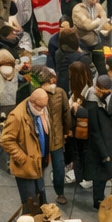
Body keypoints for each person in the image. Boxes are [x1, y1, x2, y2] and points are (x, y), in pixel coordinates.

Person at [0, 88, 54, 211]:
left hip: (39, 163)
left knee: (41, 200)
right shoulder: (17, 116)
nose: (42, 110)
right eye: (40, 107)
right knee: (30, 204)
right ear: (33, 102)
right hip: (26, 167)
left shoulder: (40, 108)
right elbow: (5, 140)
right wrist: (22, 158)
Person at [82, 75, 112, 207]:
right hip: (99, 145)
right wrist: (105, 154)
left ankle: (100, 199)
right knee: (100, 175)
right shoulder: (92, 105)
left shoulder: (106, 96)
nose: (107, 94)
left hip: (108, 139)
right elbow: (95, 132)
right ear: (97, 89)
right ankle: (98, 201)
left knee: (104, 173)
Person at [40, 68, 72, 204]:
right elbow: (66, 113)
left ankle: (53, 194)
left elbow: (65, 112)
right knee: (50, 166)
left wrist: (67, 129)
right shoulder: (56, 93)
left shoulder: (57, 93)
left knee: (52, 167)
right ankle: (51, 193)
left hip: (50, 138)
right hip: (48, 138)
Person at [71, 0, 109, 75]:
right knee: (87, 69)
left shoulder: (98, 6)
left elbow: (104, 19)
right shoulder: (78, 9)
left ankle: (103, 83)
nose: (94, 1)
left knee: (102, 66)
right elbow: (87, 26)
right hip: (83, 43)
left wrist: (97, 27)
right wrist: (98, 21)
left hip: (96, 42)